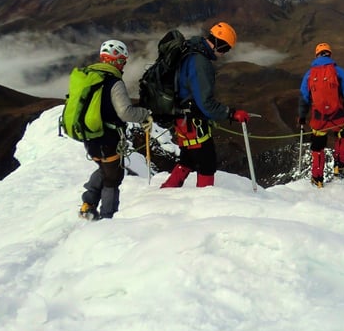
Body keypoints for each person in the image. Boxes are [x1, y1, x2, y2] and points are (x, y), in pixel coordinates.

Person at [160, 22, 249, 188]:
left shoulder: (189, 49)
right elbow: (205, 103)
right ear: (219, 44)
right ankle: (205, 201)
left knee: (188, 158)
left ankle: (166, 191)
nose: (224, 53)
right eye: (226, 49)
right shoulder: (200, 62)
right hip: (193, 121)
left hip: (181, 118)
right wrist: (231, 113)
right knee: (207, 162)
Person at [79, 39, 151, 220]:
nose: (124, 65)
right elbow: (125, 112)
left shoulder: (89, 77)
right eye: (123, 61)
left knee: (105, 169)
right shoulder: (114, 83)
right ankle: (106, 219)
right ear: (117, 60)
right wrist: (145, 114)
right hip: (107, 139)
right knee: (113, 177)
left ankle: (88, 204)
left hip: (90, 136)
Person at [298, 42, 344, 188]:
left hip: (319, 118)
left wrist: (301, 116)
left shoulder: (309, 74)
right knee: (341, 137)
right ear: (329, 54)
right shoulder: (338, 71)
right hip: (338, 115)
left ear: (317, 55)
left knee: (318, 148)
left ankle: (317, 179)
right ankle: (339, 168)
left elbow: (303, 98)